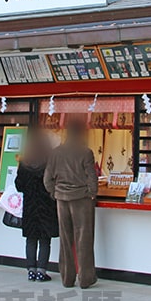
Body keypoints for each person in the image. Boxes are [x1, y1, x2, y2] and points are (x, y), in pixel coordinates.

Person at [44, 118, 99, 289]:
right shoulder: (86, 152)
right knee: (84, 239)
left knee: (65, 239)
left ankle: (67, 278)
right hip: (81, 199)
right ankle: (85, 278)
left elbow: (47, 179)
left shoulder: (56, 153)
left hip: (62, 199)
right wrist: (91, 193)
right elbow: (92, 178)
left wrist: (55, 192)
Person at [14, 127, 59, 282]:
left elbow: (18, 185)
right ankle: (42, 271)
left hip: (30, 206)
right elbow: (54, 182)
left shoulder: (24, 162)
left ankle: (31, 270)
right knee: (45, 240)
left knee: (31, 239)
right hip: (46, 206)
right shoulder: (50, 161)